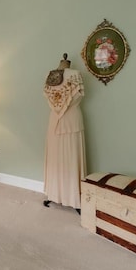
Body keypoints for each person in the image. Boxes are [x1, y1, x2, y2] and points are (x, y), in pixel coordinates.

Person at [43, 53, 86, 212]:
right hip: (59, 121)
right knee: (56, 159)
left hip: (67, 121)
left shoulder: (75, 75)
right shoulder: (51, 75)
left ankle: (74, 198)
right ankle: (54, 194)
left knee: (71, 157)